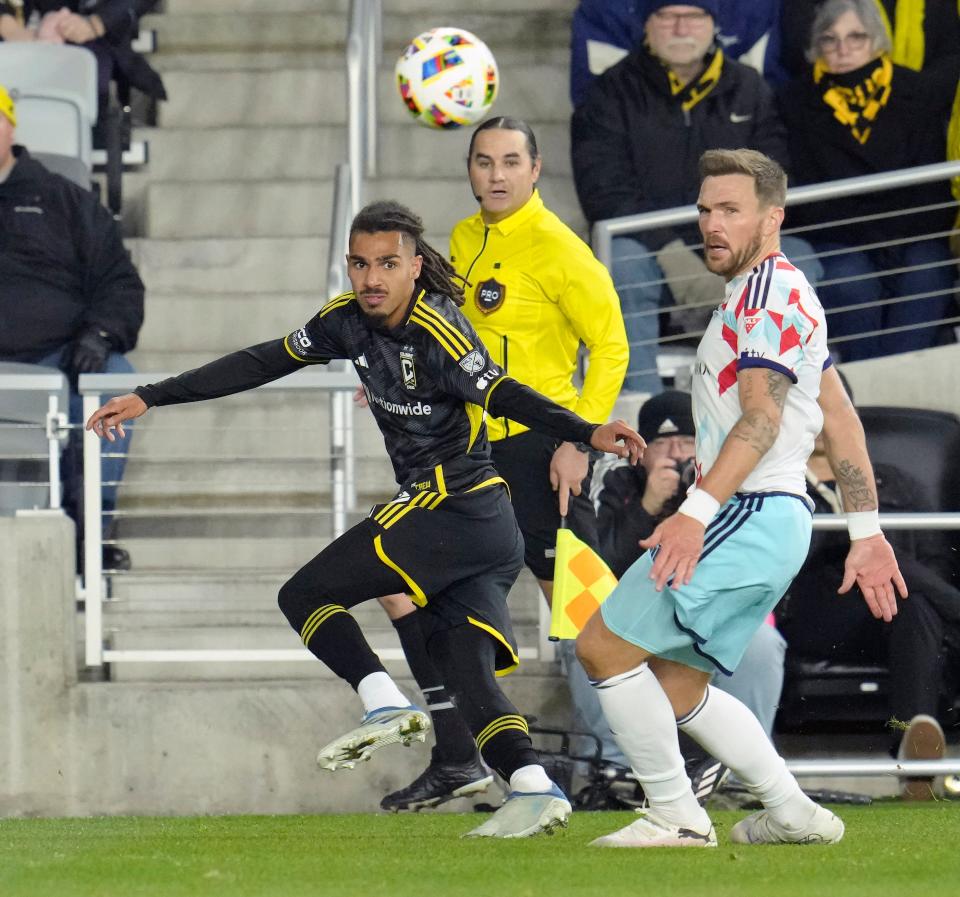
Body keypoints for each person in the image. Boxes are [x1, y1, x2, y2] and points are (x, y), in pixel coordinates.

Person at [85, 199, 645, 839]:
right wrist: (151, 396)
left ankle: (383, 704)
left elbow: (503, 393)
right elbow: (260, 361)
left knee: (305, 594)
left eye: (386, 263)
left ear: (414, 267)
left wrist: (586, 430)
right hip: (478, 526)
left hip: (455, 505)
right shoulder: (345, 324)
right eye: (359, 263)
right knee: (466, 673)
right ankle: (533, 786)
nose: (371, 277)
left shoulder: (442, 330)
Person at [576, 147, 907, 848]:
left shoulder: (763, 296)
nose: (712, 225)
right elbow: (840, 417)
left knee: (603, 646)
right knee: (674, 682)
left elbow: (760, 420)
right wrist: (867, 531)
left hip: (747, 509)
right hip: (770, 515)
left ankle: (676, 817)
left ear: (772, 216)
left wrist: (694, 514)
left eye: (730, 210)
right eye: (704, 210)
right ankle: (790, 808)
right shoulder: (778, 292)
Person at [374, 116, 630, 813]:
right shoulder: (459, 240)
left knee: (585, 618)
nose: (496, 174)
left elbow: (611, 346)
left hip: (540, 453)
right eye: (483, 160)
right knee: (400, 584)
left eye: (511, 161)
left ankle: (654, 761)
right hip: (465, 456)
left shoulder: (561, 250)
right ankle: (459, 755)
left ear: (536, 169)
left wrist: (578, 440)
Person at [571, 1, 820, 395]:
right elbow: (604, 189)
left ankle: (781, 396)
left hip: (738, 247)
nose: (680, 27)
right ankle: (642, 412)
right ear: (648, 26)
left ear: (712, 25)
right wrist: (668, 251)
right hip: (653, 252)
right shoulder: (610, 92)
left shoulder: (749, 88)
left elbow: (772, 179)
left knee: (800, 259)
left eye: (693, 16)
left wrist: (735, 246)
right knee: (622, 265)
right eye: (667, 16)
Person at [779, 373, 959, 801]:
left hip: (895, 614)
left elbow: (934, 557)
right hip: (821, 613)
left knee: (913, 603)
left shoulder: (892, 482)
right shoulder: (781, 481)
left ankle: (909, 749)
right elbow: (796, 560)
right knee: (882, 564)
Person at [0, 82, 143, 569]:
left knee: (114, 382)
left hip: (58, 359)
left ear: (9, 124)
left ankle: (85, 543)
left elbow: (120, 282)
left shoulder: (65, 200)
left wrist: (99, 335)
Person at [595, 389, 786, 740]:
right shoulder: (619, 483)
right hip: (634, 610)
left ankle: (740, 765)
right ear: (640, 449)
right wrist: (647, 507)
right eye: (661, 444)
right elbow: (603, 563)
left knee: (762, 644)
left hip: (712, 607)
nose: (676, 454)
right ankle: (614, 772)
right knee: (587, 641)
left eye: (685, 441)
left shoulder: (728, 481)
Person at [778, 0, 958, 362]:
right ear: (816, 47)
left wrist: (890, 242)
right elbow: (806, 194)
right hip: (837, 236)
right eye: (830, 39)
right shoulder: (792, 101)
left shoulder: (917, 92)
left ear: (876, 40)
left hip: (910, 235)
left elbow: (930, 189)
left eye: (856, 37)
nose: (843, 49)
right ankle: (871, 384)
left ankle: (894, 387)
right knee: (850, 281)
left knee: (926, 275)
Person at [569, 0, 788, 108]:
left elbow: (766, 102)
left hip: (733, 156)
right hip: (640, 156)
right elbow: (596, 104)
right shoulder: (605, 8)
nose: (681, 29)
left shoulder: (756, 6)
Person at [0, 1, 166, 115]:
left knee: (89, 71)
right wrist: (10, 28)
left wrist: (96, 23)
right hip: (13, 36)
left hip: (88, 36)